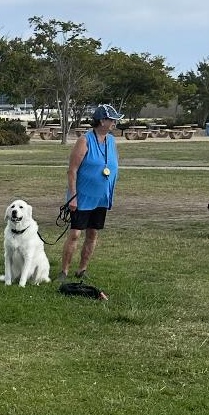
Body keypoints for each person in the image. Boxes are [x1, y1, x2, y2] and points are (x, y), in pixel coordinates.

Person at [57, 104, 122, 282]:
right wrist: (73, 196)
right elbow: (72, 170)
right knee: (76, 234)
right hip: (82, 198)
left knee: (93, 234)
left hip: (101, 198)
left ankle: (82, 269)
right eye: (112, 119)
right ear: (102, 121)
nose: (115, 122)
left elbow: (113, 166)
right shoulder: (84, 141)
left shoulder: (111, 141)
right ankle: (64, 272)